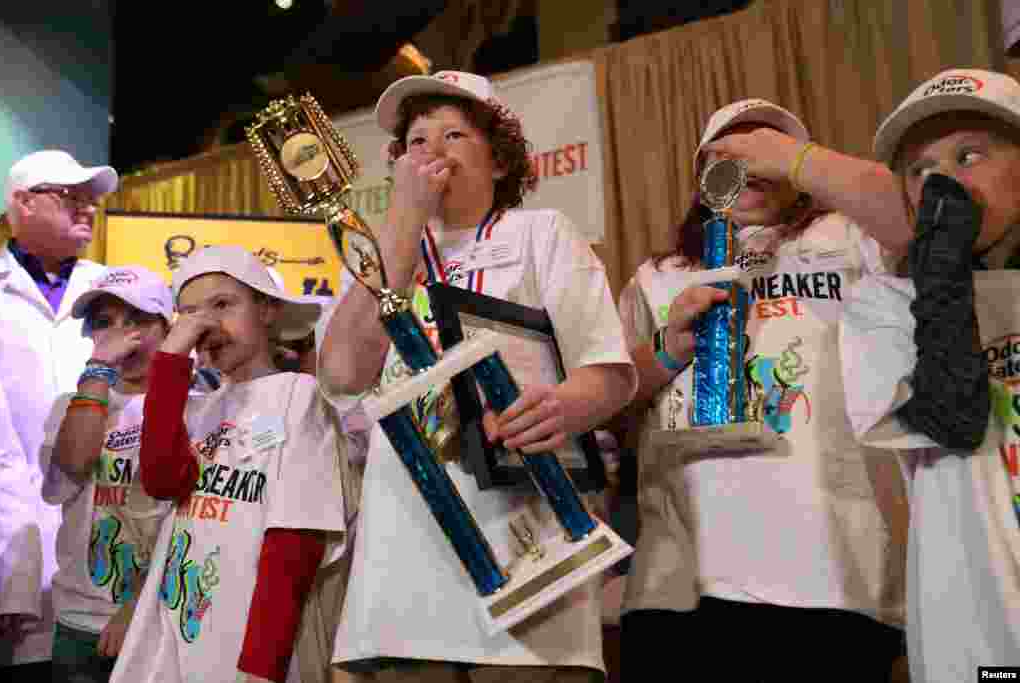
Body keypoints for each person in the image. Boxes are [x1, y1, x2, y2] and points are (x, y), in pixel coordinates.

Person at [316, 70, 636, 682]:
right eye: (415, 140)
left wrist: (563, 406)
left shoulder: (542, 233)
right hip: (404, 573)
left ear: (498, 161)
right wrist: (404, 222)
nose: (431, 149)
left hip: (531, 556)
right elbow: (342, 373)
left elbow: (609, 372)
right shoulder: (379, 254)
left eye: (454, 134)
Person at [617, 99, 909, 680]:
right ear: (703, 174)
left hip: (834, 574)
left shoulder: (851, 237)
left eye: (763, 150)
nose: (747, 164)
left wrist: (793, 158)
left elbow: (914, 219)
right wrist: (670, 346)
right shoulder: (658, 274)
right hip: (682, 581)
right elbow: (611, 401)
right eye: (728, 153)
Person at [794, 68, 1020, 683]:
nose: (944, 181)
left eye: (970, 155)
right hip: (973, 633)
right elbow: (952, 418)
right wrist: (941, 260)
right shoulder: (885, 306)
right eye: (922, 171)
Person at [107, 245, 348, 683]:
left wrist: (261, 667)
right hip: (174, 644)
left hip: (247, 654)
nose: (207, 325)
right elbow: (163, 480)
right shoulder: (197, 408)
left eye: (223, 304)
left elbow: (295, 539)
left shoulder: (300, 395)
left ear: (267, 309)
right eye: (190, 313)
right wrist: (170, 365)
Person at [0, 149, 117, 680]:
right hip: (6, 535)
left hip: (95, 544)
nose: (88, 209)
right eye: (71, 196)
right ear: (22, 202)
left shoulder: (115, 292)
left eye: (92, 199)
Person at [39, 266, 174, 682]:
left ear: (168, 327)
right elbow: (74, 467)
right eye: (104, 323)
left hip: (161, 616)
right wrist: (98, 369)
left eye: (136, 321)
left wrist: (137, 605)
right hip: (79, 618)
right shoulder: (72, 404)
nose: (120, 335)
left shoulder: (198, 402)